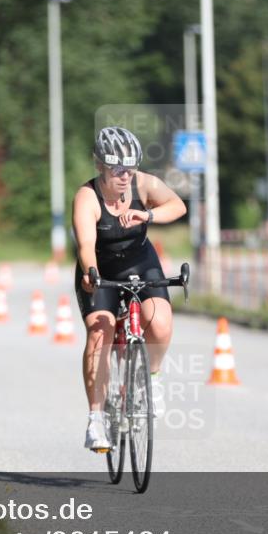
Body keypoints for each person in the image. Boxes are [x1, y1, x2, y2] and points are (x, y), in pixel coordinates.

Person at [73, 126, 187, 451]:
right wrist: (90, 272)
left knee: (161, 323)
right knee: (100, 333)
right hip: (100, 265)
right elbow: (85, 243)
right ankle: (96, 418)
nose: (125, 176)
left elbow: (177, 206)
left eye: (131, 167)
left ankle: (150, 378)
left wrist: (147, 214)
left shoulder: (143, 183)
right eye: (117, 169)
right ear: (100, 166)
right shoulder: (87, 197)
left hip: (140, 260)